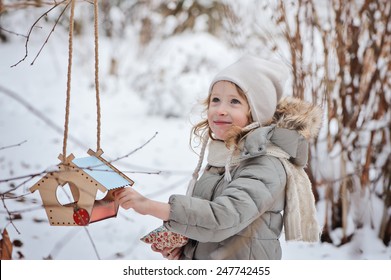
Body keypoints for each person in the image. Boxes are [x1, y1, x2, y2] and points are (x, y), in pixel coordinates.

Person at [114, 54, 322, 260]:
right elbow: (208, 224)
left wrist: (149, 206)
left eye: (234, 102)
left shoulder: (266, 163)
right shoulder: (223, 158)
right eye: (215, 100)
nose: (221, 110)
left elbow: (223, 217)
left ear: (256, 112)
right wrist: (187, 249)